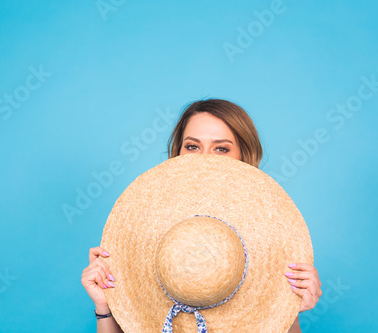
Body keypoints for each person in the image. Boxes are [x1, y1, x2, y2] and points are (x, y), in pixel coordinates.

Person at [81, 99, 322, 333]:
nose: (205, 158)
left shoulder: (273, 237)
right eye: (193, 146)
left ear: (243, 156)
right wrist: (105, 307)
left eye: (221, 149)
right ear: (178, 152)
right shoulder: (142, 224)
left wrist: (288, 311)